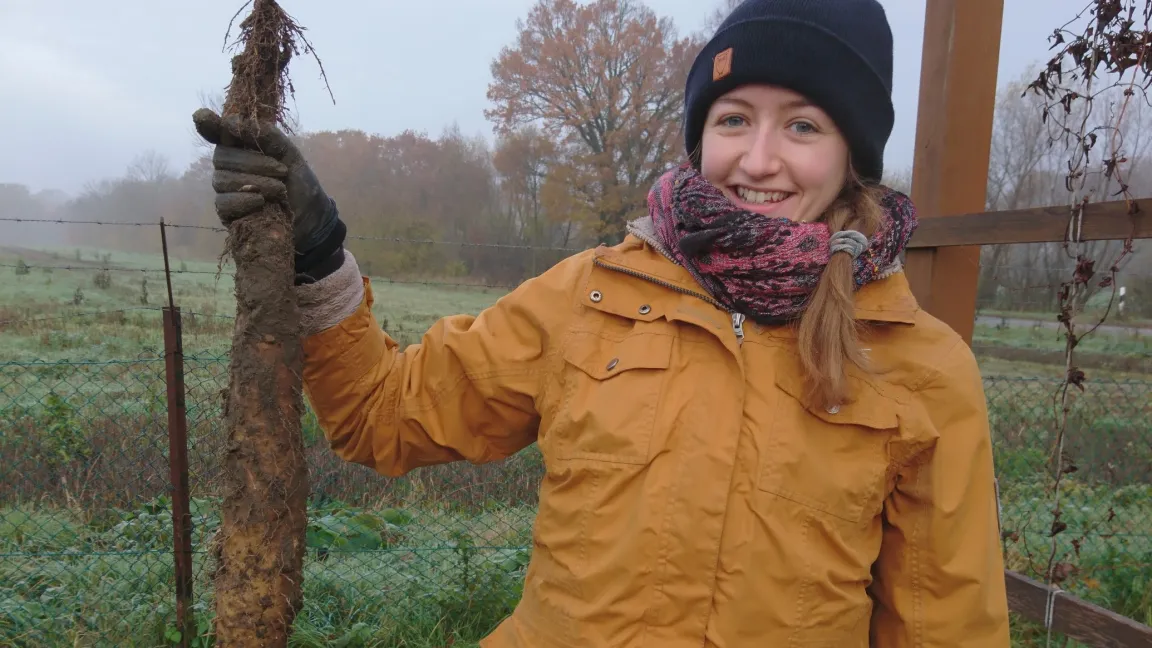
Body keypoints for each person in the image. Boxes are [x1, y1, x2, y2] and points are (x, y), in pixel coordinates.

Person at [193, 0, 1012, 644]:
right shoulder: (590, 296)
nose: (758, 160)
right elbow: (384, 414)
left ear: (850, 154)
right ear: (701, 136)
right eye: (733, 119)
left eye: (803, 125)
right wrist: (316, 251)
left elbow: (946, 625)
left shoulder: (918, 366)